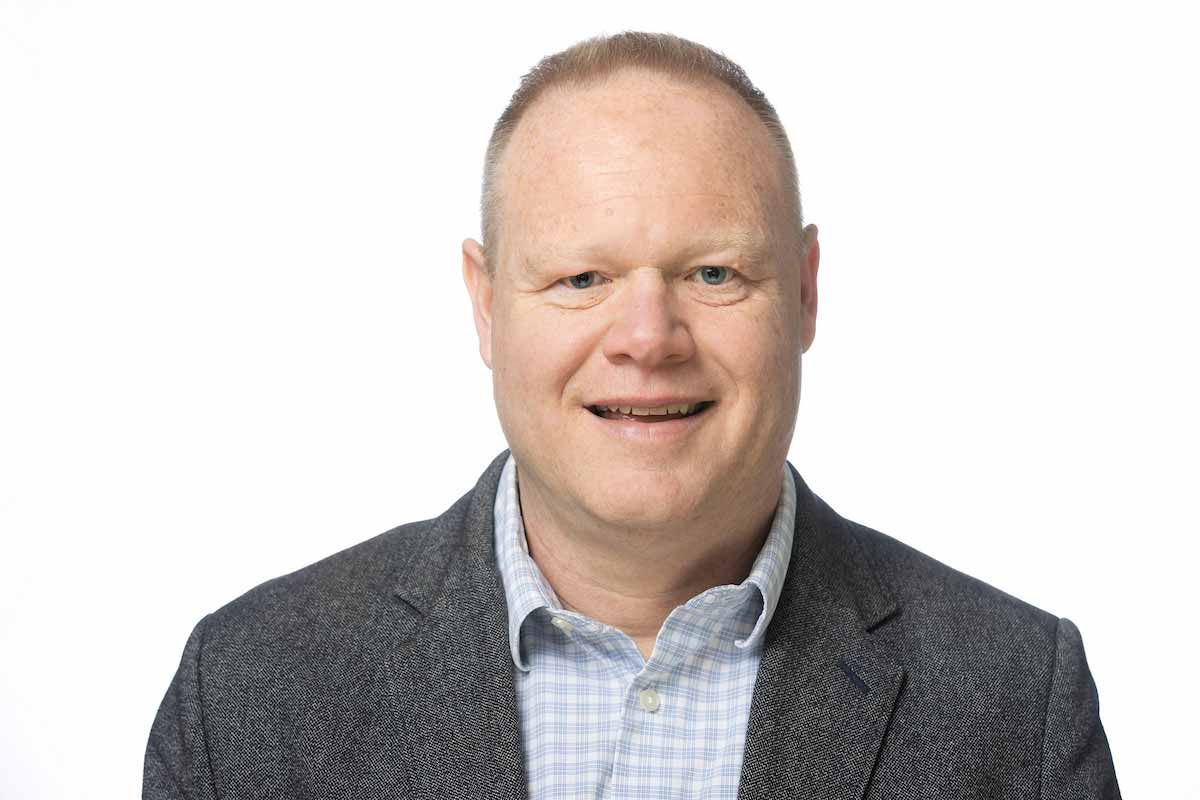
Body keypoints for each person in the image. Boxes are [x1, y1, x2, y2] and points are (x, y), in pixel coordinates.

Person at [144, 31, 1120, 799]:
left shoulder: (1012, 694)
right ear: (486, 304)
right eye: (582, 276)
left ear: (808, 291)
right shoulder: (250, 687)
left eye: (713, 272)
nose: (648, 337)